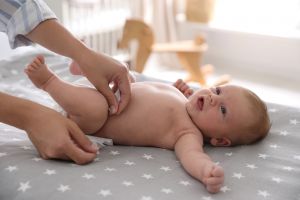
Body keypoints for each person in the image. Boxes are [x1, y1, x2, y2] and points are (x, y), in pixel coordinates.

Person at [25, 55, 271, 193]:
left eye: (223, 109)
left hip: (91, 120)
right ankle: (87, 65)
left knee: (97, 109)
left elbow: (192, 157)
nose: (212, 97)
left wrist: (206, 171)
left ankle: (48, 82)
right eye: (217, 90)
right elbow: (156, 98)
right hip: (110, 93)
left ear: (218, 140)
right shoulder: (185, 101)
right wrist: (179, 91)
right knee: (126, 73)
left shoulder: (187, 133)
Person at [0, 0, 131, 164]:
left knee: (125, 82)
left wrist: (83, 54)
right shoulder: (175, 131)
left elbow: (14, 7)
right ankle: (49, 81)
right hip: (95, 119)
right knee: (95, 108)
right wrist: (28, 116)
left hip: (109, 99)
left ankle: (79, 66)